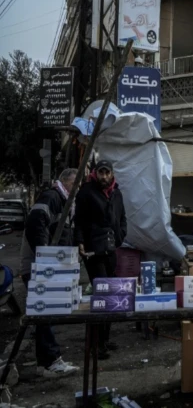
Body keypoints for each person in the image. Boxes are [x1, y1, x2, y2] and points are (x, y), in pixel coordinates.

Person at [19, 169, 80, 378]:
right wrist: (45, 258)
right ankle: (49, 362)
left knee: (44, 314)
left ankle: (46, 361)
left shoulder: (65, 202)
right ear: (64, 182)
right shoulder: (53, 196)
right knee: (44, 313)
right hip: (39, 267)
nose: (77, 188)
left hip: (46, 266)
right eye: (75, 184)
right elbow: (36, 224)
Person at [75, 160, 127, 359]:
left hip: (111, 248)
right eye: (101, 172)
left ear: (112, 173)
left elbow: (122, 217)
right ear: (96, 174)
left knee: (111, 295)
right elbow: (78, 220)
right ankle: (95, 345)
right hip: (93, 251)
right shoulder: (86, 192)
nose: (104, 176)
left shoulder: (117, 193)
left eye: (107, 172)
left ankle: (104, 340)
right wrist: (80, 242)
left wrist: (121, 235)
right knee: (101, 295)